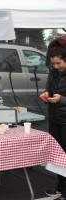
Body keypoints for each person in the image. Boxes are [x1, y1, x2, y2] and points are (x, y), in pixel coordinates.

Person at [40, 47, 66, 200]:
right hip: (54, 118)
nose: (56, 66)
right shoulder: (53, 72)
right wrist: (46, 95)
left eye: (58, 63)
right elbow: (50, 90)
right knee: (57, 154)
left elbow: (61, 97)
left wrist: (61, 99)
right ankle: (60, 188)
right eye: (53, 64)